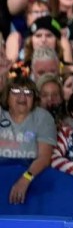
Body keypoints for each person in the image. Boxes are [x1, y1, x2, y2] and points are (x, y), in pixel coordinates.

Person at [0, 76, 56, 204]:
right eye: (16, 92)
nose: (22, 97)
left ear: (34, 98)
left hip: (31, 180)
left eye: (28, 93)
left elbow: (44, 158)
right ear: (7, 97)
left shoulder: (43, 117)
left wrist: (25, 179)